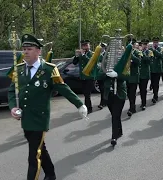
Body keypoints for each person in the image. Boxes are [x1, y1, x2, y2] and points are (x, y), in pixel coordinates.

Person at [8, 34, 87, 180]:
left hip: (39, 119)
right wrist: (13, 107)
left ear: (38, 51)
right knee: (40, 149)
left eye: (29, 49)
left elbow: (63, 88)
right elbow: (12, 91)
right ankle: (50, 174)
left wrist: (80, 104)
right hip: (25, 118)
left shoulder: (49, 70)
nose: (25, 52)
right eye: (24, 49)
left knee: (33, 156)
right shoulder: (18, 69)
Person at [102, 41, 132, 146]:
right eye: (115, 49)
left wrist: (117, 75)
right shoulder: (106, 61)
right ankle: (119, 131)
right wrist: (106, 74)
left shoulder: (125, 61)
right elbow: (98, 75)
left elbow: (128, 76)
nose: (117, 52)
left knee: (115, 115)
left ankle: (114, 137)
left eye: (119, 49)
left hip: (120, 93)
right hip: (108, 93)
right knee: (115, 115)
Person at [73, 40, 94, 114]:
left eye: (86, 45)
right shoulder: (81, 54)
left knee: (87, 94)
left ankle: (89, 108)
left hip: (89, 77)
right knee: (85, 94)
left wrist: (83, 55)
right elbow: (74, 62)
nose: (84, 47)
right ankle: (88, 107)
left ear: (89, 46)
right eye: (83, 45)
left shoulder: (92, 54)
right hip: (82, 77)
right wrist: (76, 55)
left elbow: (90, 62)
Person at [127, 39, 142, 116]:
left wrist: (131, 55)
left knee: (132, 93)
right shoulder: (125, 52)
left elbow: (138, 61)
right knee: (129, 94)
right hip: (127, 76)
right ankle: (132, 106)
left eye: (133, 44)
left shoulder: (137, 52)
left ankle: (132, 108)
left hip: (134, 76)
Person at [139, 39, 152, 110]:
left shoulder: (149, 52)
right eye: (143, 44)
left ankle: (143, 103)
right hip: (139, 74)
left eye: (145, 44)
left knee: (143, 89)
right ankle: (141, 101)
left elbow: (149, 60)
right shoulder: (138, 51)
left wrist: (142, 54)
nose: (144, 45)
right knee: (140, 89)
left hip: (145, 74)